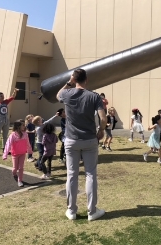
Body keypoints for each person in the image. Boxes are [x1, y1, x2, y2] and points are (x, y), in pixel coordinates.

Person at [57, 68, 107, 221]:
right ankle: (92, 211)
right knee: (90, 174)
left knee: (72, 174)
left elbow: (58, 95)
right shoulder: (94, 97)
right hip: (90, 139)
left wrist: (68, 83)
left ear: (74, 79)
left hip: (71, 140)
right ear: (87, 80)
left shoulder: (67, 93)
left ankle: (71, 211)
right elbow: (103, 118)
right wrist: (101, 130)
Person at [2, 120, 33, 187]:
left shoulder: (25, 134)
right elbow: (8, 144)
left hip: (22, 153)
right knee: (15, 168)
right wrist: (5, 154)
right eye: (23, 125)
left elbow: (28, 143)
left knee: (21, 167)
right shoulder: (13, 135)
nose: (24, 126)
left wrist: (29, 150)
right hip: (15, 154)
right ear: (18, 126)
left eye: (24, 125)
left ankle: (20, 180)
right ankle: (14, 173)